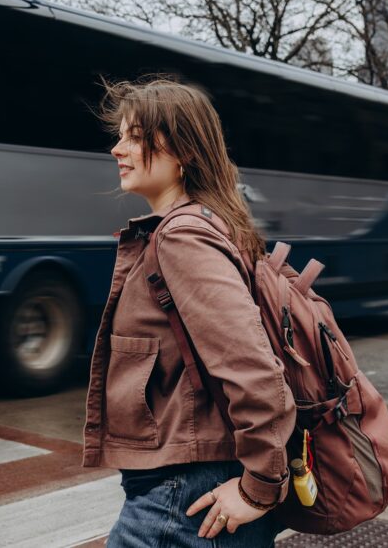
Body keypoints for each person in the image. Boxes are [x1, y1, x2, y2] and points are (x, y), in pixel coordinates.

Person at [83, 78, 297, 547]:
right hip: (189, 481)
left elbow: (253, 366)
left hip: (185, 492)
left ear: (184, 151)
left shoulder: (183, 237)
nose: (118, 149)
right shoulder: (206, 223)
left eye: (135, 136)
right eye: (120, 135)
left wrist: (260, 488)